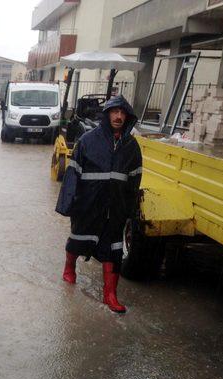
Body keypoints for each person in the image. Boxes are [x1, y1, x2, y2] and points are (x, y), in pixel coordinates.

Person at [55, 95, 142, 313]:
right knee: (78, 239)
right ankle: (69, 267)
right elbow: (72, 173)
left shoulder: (132, 146)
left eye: (123, 113)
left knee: (113, 248)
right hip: (88, 203)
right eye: (115, 112)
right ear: (107, 114)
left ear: (128, 117)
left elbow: (134, 179)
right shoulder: (87, 140)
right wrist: (68, 203)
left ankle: (110, 294)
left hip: (115, 207)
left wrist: (130, 209)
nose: (119, 117)